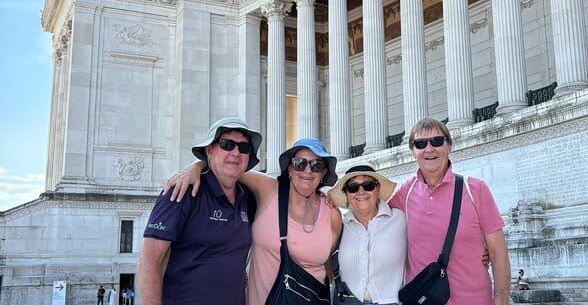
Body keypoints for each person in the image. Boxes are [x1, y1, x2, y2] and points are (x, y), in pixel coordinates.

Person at [167, 137, 343, 304]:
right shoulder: (269, 189)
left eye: (317, 165)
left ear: (324, 173)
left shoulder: (332, 213)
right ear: (290, 169)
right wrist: (196, 167)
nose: (308, 170)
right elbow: (227, 166)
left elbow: (329, 268)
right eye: (300, 163)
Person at [137, 117, 261, 305]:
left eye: (244, 147)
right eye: (227, 144)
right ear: (209, 150)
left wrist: (199, 164)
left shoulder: (249, 198)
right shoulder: (181, 191)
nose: (236, 152)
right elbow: (148, 260)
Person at [387, 117, 510, 304]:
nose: (429, 149)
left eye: (437, 141)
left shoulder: (475, 189)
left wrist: (501, 301)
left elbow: (498, 253)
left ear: (449, 146)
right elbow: (373, 217)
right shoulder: (406, 192)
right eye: (420, 144)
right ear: (412, 151)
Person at [327, 164, 407, 304]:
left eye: (368, 186)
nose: (361, 192)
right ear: (346, 194)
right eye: (353, 187)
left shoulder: (400, 219)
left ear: (377, 189)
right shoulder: (340, 226)